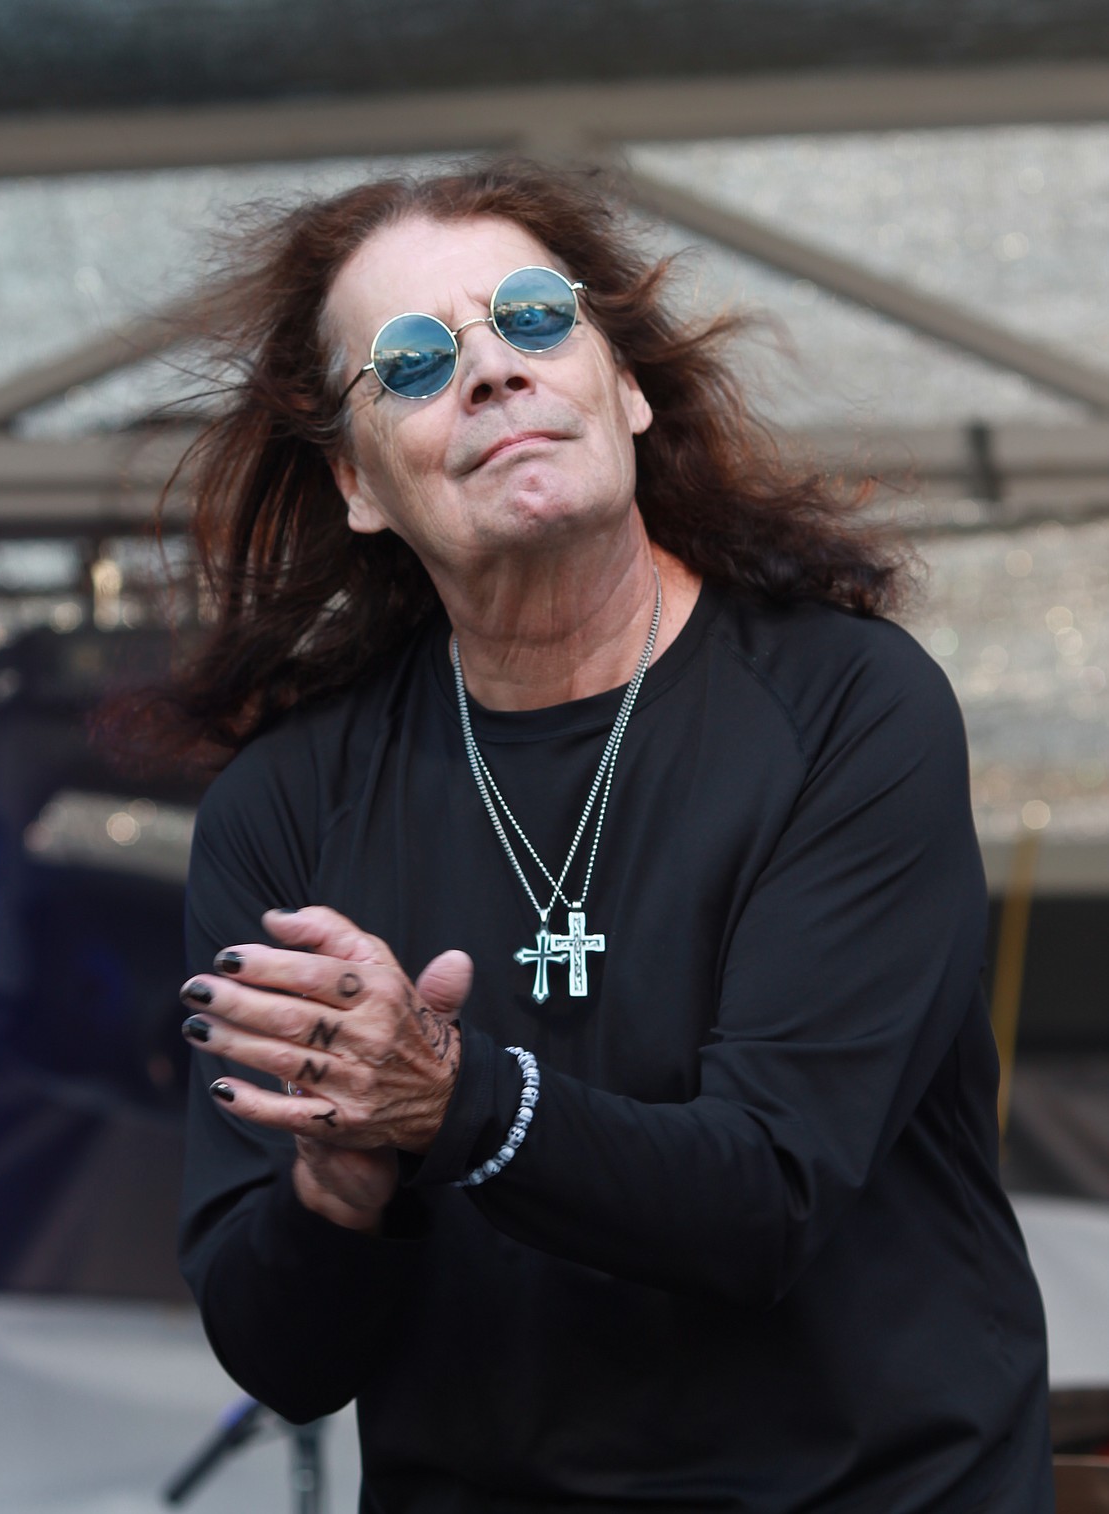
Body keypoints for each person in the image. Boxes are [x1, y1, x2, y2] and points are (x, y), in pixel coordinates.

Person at [168, 161, 1053, 1513]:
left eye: (531, 317)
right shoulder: (285, 808)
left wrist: (451, 1100)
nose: (490, 371)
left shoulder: (848, 707)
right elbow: (282, 1358)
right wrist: (339, 1195)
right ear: (355, 482)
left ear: (624, 387)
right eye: (410, 362)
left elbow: (766, 1194)